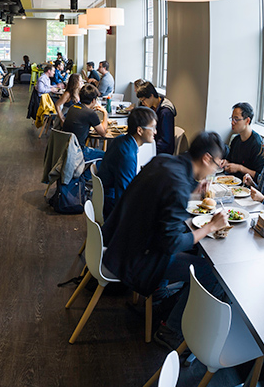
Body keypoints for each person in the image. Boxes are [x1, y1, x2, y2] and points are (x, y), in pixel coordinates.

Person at [102, 132, 229, 346]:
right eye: (217, 164)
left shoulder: (165, 161)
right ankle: (170, 331)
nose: (215, 170)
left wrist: (193, 192)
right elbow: (171, 244)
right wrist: (210, 227)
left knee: (190, 243)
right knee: (212, 272)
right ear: (207, 158)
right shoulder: (178, 185)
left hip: (122, 241)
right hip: (137, 260)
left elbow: (163, 199)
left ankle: (161, 297)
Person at [97, 106, 157, 220]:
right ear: (140, 130)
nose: (155, 132)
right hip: (112, 205)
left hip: (104, 197)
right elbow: (124, 196)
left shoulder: (121, 139)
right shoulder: (127, 155)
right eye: (153, 128)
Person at [60, 84, 108, 162]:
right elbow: (103, 133)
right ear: (93, 100)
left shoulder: (72, 107)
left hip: (66, 149)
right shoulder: (90, 113)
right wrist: (105, 113)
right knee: (107, 155)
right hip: (79, 152)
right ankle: (88, 173)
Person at [223, 102, 264, 179]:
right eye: (232, 119)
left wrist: (240, 168)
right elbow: (230, 160)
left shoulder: (257, 143)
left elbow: (260, 176)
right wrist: (225, 163)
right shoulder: (236, 139)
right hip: (231, 181)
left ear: (247, 121)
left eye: (236, 119)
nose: (232, 123)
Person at [137, 81, 177, 155]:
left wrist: (149, 151)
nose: (143, 103)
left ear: (151, 96)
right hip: (152, 144)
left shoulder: (165, 112)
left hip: (161, 152)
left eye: (143, 100)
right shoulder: (152, 107)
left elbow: (165, 141)